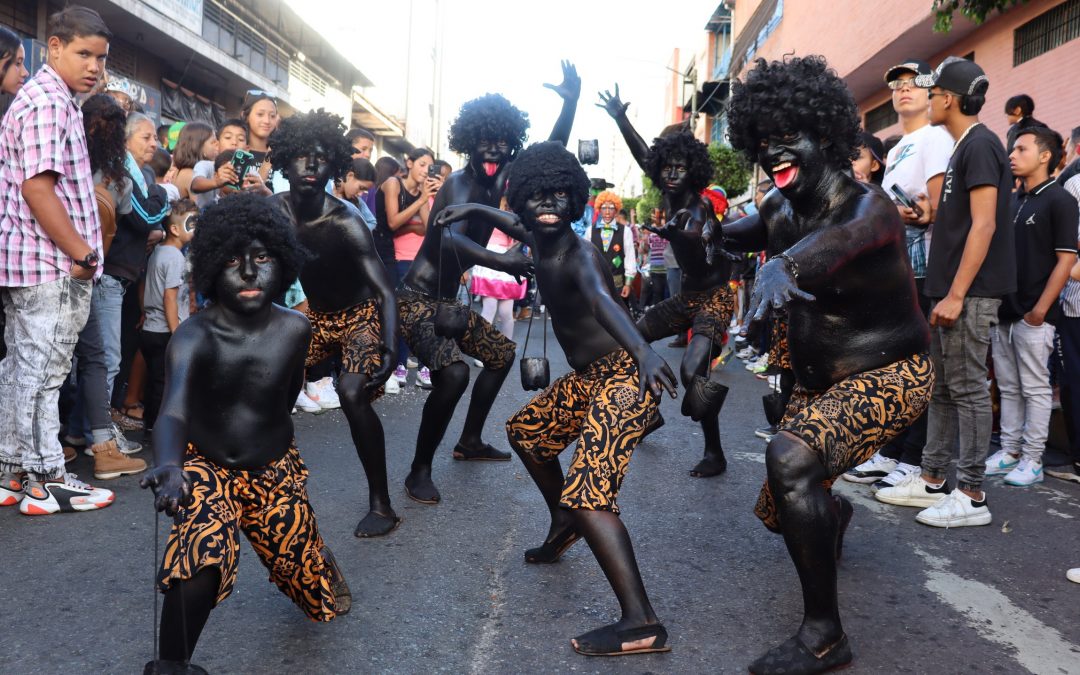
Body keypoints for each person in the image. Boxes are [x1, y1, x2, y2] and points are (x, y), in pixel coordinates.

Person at [718, 55, 934, 674]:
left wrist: (782, 266)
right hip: (818, 386)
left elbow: (829, 247)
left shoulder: (871, 210)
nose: (773, 152)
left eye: (788, 138)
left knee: (791, 462)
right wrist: (698, 229)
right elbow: (736, 233)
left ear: (828, 135)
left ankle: (825, 637)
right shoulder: (781, 207)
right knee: (782, 511)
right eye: (762, 142)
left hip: (892, 374)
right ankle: (832, 516)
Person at [448, 141, 678, 656]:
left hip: (623, 375)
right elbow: (509, 222)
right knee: (527, 432)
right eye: (536, 196)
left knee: (591, 490)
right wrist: (472, 208)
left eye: (558, 195)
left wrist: (642, 351)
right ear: (522, 200)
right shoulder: (534, 235)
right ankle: (564, 522)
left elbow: (600, 299)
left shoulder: (578, 253)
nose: (547, 204)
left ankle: (641, 622)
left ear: (575, 201)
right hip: (589, 378)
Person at [140, 193, 350, 672]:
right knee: (201, 551)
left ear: (285, 262)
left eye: (263, 258)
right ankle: (172, 664)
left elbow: (295, 386)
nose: (250, 273)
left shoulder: (299, 329)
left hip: (274, 472)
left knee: (320, 598)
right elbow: (172, 411)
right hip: (205, 465)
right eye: (233, 261)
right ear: (213, 266)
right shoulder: (194, 335)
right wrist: (171, 463)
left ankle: (318, 557)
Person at [396, 61, 580, 504]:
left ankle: (470, 440)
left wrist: (570, 103)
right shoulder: (460, 185)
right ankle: (419, 470)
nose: (493, 152)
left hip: (449, 301)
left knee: (500, 354)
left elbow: (549, 152)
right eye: (485, 144)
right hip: (418, 301)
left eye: (501, 144)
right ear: (470, 145)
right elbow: (447, 239)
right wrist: (502, 259)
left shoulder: (500, 176)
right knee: (454, 375)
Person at [875, 56, 1016, 528]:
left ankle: (972, 495)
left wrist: (957, 293)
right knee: (943, 389)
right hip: (951, 289)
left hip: (969, 293)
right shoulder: (963, 148)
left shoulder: (980, 145)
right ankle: (933, 478)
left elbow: (986, 224)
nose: (928, 98)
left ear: (948, 99)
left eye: (932, 93)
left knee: (970, 390)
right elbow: (956, 221)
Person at [0, 6, 119, 514]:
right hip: (50, 264)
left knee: (23, 371)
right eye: (83, 53)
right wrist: (84, 255)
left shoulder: (48, 98)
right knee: (43, 374)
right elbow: (37, 188)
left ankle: (12, 473)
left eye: (101, 57)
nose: (94, 66)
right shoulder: (49, 102)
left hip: (35, 261)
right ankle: (45, 481)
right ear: (53, 48)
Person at [269, 109, 401, 537]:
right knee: (270, 387)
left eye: (322, 158)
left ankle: (382, 505)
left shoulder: (345, 220)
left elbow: (384, 291)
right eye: (302, 157)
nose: (310, 166)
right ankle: (268, 487)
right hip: (314, 316)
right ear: (283, 160)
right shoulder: (274, 211)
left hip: (361, 317)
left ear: (334, 166)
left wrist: (390, 347)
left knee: (351, 391)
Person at [598, 86, 734, 478]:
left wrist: (681, 238)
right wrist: (620, 118)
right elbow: (645, 155)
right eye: (667, 167)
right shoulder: (670, 190)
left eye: (680, 167)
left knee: (694, 372)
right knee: (630, 344)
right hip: (687, 297)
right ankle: (648, 416)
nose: (672, 173)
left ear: (694, 171)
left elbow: (696, 257)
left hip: (715, 299)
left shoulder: (697, 207)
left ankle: (715, 453)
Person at [844, 59, 953, 490]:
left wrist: (923, 214)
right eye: (898, 85)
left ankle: (914, 460)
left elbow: (940, 208)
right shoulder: (903, 145)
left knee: (921, 368)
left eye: (914, 83)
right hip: (899, 268)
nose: (904, 90)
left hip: (925, 269)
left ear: (932, 92)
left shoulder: (934, 138)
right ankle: (891, 453)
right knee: (898, 366)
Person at [981, 127, 1077, 486]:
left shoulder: (1061, 200)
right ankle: (1010, 451)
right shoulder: (1012, 200)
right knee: (1007, 386)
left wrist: (1040, 310)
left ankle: (1033, 460)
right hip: (1003, 311)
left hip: (1035, 316)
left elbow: (1065, 261)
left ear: (1045, 155)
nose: (1012, 155)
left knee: (1035, 388)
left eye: (1021, 148)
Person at [377, 147, 442, 388]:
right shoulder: (394, 183)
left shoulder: (420, 191)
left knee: (417, 312)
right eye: (422, 164)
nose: (426, 171)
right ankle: (394, 365)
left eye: (429, 166)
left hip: (407, 257)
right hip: (383, 252)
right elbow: (393, 222)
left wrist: (433, 197)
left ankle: (413, 366)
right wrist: (422, 202)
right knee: (396, 311)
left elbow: (428, 228)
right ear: (410, 163)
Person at [141, 199, 198, 435]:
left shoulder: (157, 252)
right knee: (164, 382)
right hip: (166, 331)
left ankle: (151, 423)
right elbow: (170, 297)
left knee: (155, 379)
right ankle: (158, 427)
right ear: (175, 229)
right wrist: (177, 331)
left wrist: (142, 311)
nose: (197, 228)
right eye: (192, 223)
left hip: (151, 328)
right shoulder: (174, 257)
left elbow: (143, 284)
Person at [584, 191, 637, 300]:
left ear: (616, 210)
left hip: (618, 286)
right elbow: (585, 258)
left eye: (611, 208)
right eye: (604, 208)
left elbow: (630, 258)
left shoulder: (625, 231)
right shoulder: (590, 231)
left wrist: (627, 283)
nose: (607, 212)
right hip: (596, 284)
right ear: (599, 209)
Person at [170, 122, 217, 200]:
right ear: (198, 147)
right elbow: (201, 208)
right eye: (213, 142)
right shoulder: (191, 175)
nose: (217, 145)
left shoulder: (183, 171)